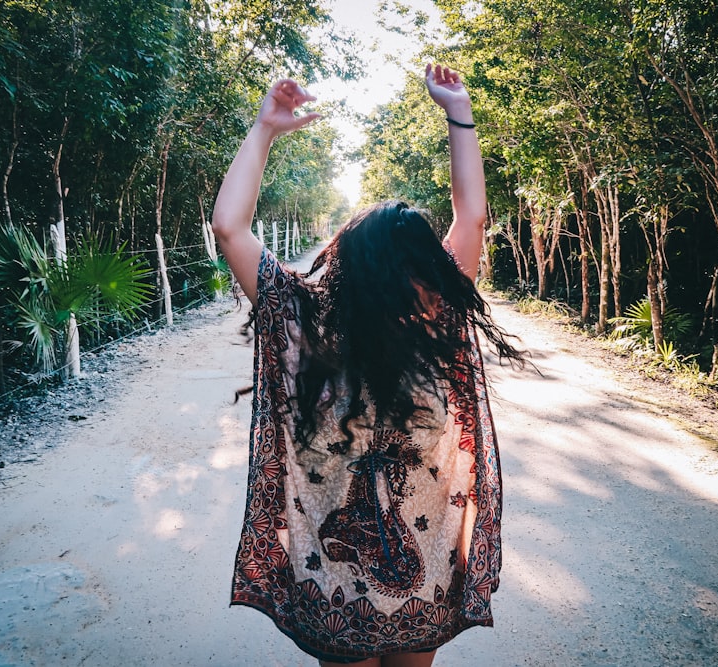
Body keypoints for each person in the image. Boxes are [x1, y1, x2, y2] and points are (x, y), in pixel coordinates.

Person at [212, 64, 523, 667]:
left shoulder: (437, 321)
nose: (431, 288)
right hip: (338, 572)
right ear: (377, 279)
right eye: (415, 276)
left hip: (419, 579)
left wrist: (461, 113)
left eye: (431, 275)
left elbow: (472, 219)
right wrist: (263, 130)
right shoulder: (304, 322)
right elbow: (230, 228)